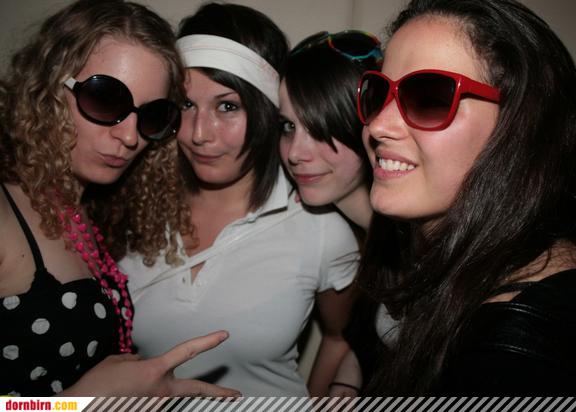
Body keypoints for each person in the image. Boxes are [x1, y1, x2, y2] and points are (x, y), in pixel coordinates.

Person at [357, 0, 576, 395]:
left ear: (520, 127)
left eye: (429, 97)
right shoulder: (468, 263)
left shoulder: (520, 352)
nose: (378, 125)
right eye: (379, 93)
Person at [0, 0, 239, 397]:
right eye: (105, 99)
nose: (130, 137)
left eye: (151, 115)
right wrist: (79, 403)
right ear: (49, 88)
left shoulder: (88, 212)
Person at [119, 2, 359, 397]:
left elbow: (339, 336)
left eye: (227, 106)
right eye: (186, 105)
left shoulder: (320, 228)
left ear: (266, 112)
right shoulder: (132, 208)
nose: (199, 133)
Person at [278, 30, 383, 396]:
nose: (295, 153)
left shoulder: (422, 239)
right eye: (288, 127)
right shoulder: (369, 237)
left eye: (319, 129)